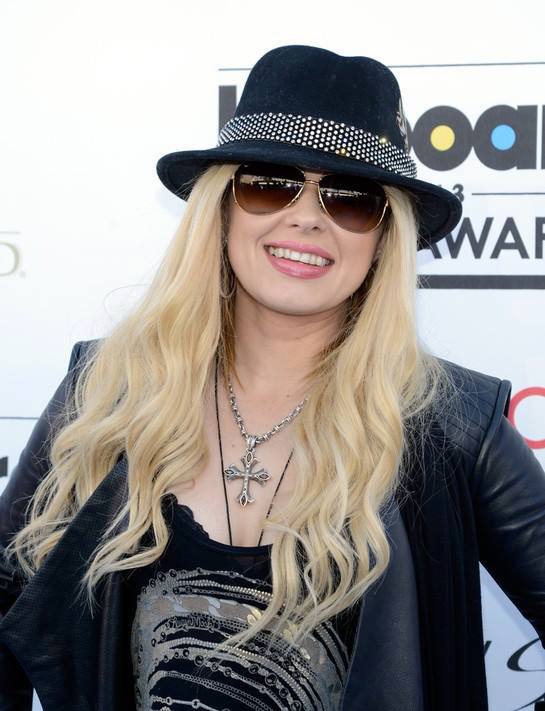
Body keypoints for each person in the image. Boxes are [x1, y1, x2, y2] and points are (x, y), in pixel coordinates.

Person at [0, 44, 544, 711]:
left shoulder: (455, 426)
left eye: (351, 200)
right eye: (269, 183)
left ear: (383, 239)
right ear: (222, 208)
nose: (307, 216)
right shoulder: (109, 390)